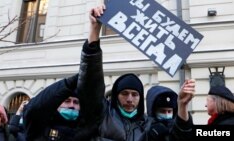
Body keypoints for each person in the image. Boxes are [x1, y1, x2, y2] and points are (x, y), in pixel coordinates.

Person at [77, 4, 196, 141]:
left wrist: (182, 105)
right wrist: (95, 30)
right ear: (116, 95)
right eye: (124, 93)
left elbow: (180, 137)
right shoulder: (102, 116)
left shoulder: (150, 126)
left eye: (134, 94)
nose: (129, 99)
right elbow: (91, 81)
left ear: (141, 98)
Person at [23, 74, 93, 141]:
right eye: (67, 101)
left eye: (76, 102)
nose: (72, 105)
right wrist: (67, 84)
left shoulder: (86, 130)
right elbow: (33, 109)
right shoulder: (40, 127)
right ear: (56, 103)